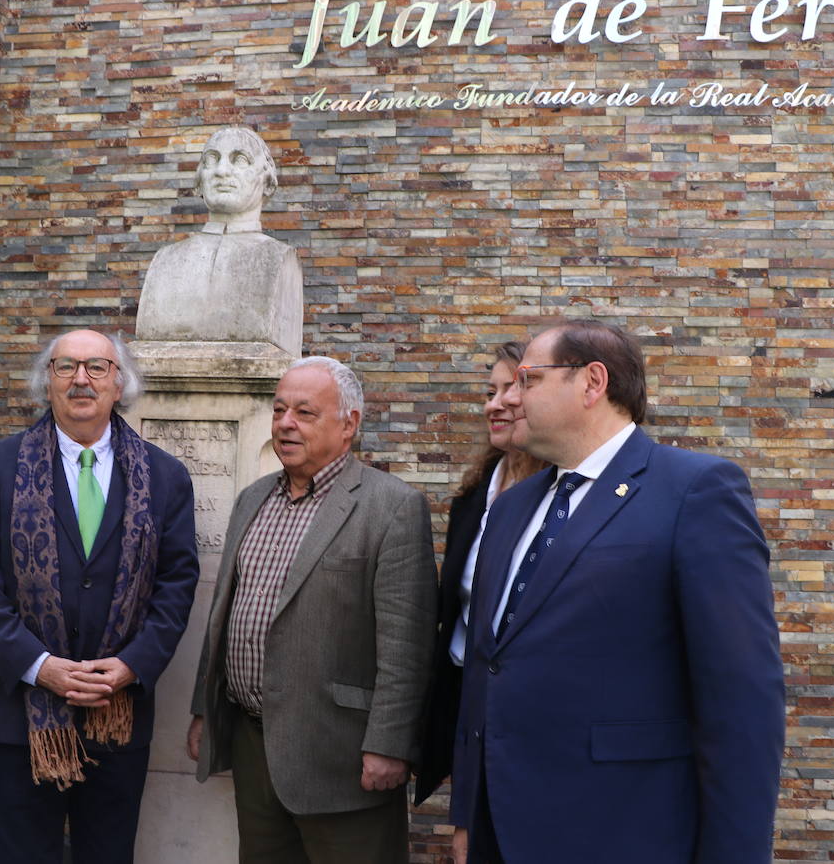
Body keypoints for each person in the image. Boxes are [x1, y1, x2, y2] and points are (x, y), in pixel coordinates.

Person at [451, 319, 785, 864]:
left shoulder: (695, 491)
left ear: (592, 383)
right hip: (503, 832)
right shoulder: (511, 509)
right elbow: (486, 669)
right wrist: (467, 812)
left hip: (624, 830)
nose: (509, 397)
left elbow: (742, 701)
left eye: (528, 380)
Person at [0, 329, 199, 864]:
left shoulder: (165, 476)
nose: (81, 378)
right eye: (66, 367)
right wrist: (38, 666)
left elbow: (177, 585)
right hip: (18, 720)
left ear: (120, 384)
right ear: (48, 382)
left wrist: (133, 666)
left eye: (96, 367)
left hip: (118, 717)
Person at [187, 356, 437, 864]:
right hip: (254, 746)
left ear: (349, 424)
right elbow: (222, 616)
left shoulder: (391, 507)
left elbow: (407, 644)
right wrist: (203, 710)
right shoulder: (253, 499)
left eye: (304, 412)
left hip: (342, 757)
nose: (285, 423)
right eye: (279, 410)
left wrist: (389, 744)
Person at [414, 341, 546, 805]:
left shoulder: (562, 499)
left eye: (510, 390)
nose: (495, 405)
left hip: (531, 717)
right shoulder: (472, 499)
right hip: (467, 702)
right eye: (490, 392)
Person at [136, 125, 303, 353]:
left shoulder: (280, 259)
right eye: (211, 160)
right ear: (199, 179)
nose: (221, 171)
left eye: (240, 160)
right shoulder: (165, 259)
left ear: (267, 180)